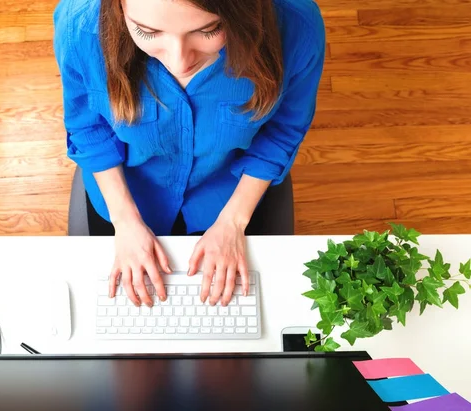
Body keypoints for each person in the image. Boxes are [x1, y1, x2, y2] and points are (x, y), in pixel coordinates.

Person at [53, 0, 325, 308]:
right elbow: (89, 130)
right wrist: (125, 221)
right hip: (126, 194)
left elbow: (282, 131)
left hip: (229, 194)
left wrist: (233, 222)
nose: (179, 62)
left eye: (209, 30)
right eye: (147, 31)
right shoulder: (79, 27)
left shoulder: (297, 27)